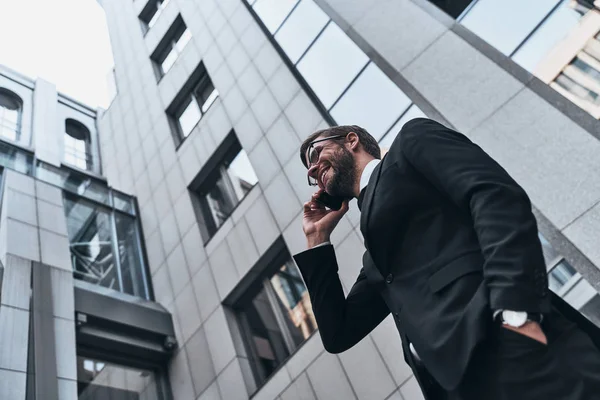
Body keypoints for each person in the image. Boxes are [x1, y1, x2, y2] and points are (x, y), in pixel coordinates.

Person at [293, 118, 600, 400]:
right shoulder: (374, 263)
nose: (311, 169)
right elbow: (337, 334)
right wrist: (317, 240)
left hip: (519, 356)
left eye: (316, 152)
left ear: (351, 140)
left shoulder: (410, 144)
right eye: (309, 169)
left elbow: (493, 195)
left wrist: (517, 313)